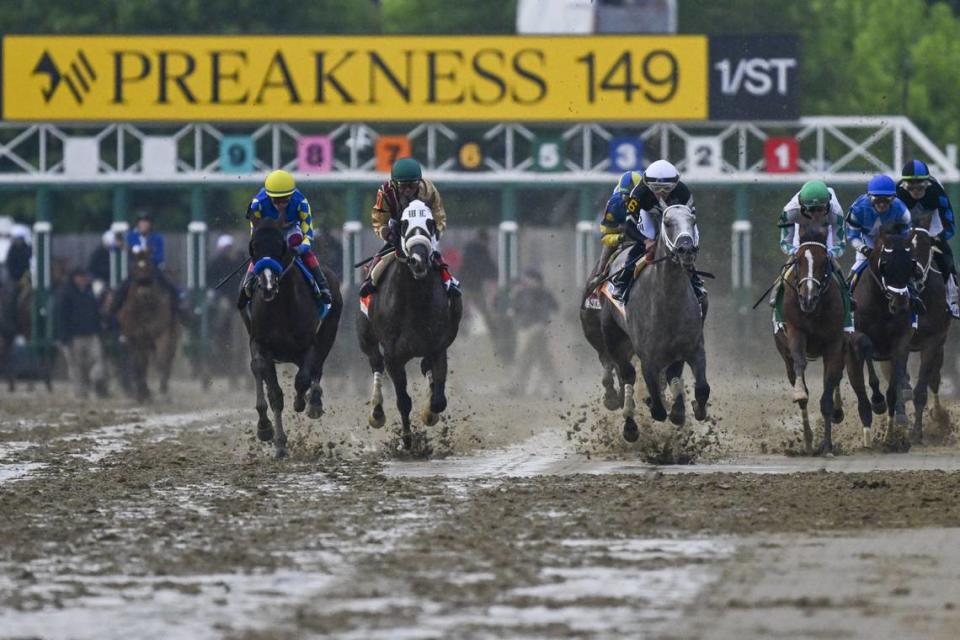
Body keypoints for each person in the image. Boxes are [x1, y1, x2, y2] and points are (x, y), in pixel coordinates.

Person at [358, 157, 461, 297]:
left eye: (412, 186)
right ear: (394, 183)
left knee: (435, 253)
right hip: (398, 228)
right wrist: (385, 232)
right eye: (403, 186)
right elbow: (379, 217)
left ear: (419, 182)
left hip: (424, 228)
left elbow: (438, 213)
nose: (407, 190)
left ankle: (449, 281)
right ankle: (371, 278)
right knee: (384, 254)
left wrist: (437, 230)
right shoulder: (385, 192)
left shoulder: (428, 189)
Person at [605, 160, 703, 305]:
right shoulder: (639, 192)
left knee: (684, 244)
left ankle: (694, 279)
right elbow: (628, 224)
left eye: (667, 189)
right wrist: (645, 241)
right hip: (648, 214)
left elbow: (690, 223)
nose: (661, 194)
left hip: (676, 217)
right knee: (649, 238)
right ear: (647, 184)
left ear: (675, 185)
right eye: (656, 188)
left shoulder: (683, 192)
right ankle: (623, 280)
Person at [238, 169, 333, 310]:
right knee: (261, 251)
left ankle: (322, 285)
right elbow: (255, 235)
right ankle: (248, 283)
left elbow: (308, 236)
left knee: (298, 243)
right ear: (269, 197)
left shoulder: (301, 202)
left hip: (291, 230)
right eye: (276, 200)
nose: (281, 204)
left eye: (285, 200)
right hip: (268, 233)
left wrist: (299, 249)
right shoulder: (257, 203)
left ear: (292, 195)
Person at [772, 180, 854, 333]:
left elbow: (840, 245)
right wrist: (796, 253)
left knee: (837, 271)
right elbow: (785, 242)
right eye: (812, 210)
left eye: (820, 209)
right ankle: (777, 312)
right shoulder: (790, 211)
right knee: (786, 274)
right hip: (800, 239)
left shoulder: (836, 213)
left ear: (828, 206)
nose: (816, 214)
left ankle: (848, 316)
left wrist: (828, 254)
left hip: (825, 237)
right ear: (802, 207)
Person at [846, 174, 924, 313]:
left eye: (886, 199)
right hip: (868, 241)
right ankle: (847, 298)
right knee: (856, 269)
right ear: (870, 197)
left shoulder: (902, 210)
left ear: (893, 198)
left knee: (905, 271)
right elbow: (852, 236)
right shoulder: (857, 209)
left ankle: (914, 298)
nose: (882, 204)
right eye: (877, 199)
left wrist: (904, 255)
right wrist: (864, 250)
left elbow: (906, 238)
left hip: (893, 243)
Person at [897, 159, 959, 318]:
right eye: (911, 186)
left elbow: (950, 222)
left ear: (928, 183)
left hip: (933, 222)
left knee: (946, 257)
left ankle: (952, 300)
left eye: (921, 185)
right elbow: (894, 221)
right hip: (908, 222)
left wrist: (938, 238)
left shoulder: (936, 192)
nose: (916, 190)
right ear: (904, 184)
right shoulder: (898, 193)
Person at [111, 213, 182, 317]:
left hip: (152, 269)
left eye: (146, 223)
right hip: (136, 271)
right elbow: (116, 247)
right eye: (141, 222)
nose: (143, 225)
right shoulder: (130, 236)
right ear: (138, 224)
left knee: (169, 286)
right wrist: (118, 245)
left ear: (150, 225)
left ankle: (178, 309)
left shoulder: (157, 238)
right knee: (121, 289)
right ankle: (113, 312)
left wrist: (146, 256)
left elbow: (159, 257)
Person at [507, 269, 560, 396]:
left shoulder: (539, 293)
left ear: (536, 280)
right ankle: (553, 387)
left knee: (527, 358)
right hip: (528, 329)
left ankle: (519, 387)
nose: (525, 281)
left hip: (536, 328)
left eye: (528, 279)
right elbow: (514, 310)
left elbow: (554, 308)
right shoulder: (524, 293)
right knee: (540, 359)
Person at [56, 268, 107, 398]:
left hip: (92, 335)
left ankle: (95, 382)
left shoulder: (90, 294)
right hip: (74, 337)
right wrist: (64, 337)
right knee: (76, 367)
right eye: (80, 277)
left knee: (97, 361)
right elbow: (62, 317)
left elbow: (96, 313)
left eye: (84, 277)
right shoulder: (66, 295)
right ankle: (80, 393)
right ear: (74, 278)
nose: (83, 279)